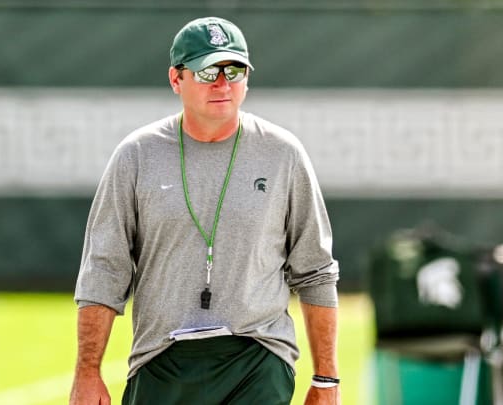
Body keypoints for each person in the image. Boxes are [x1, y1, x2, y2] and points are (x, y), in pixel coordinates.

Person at [70, 16, 340, 405]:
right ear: (176, 79)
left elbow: (315, 270)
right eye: (207, 69)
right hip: (162, 359)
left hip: (258, 356)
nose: (222, 82)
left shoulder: (283, 154)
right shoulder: (137, 155)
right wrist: (87, 372)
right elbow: (104, 269)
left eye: (234, 69)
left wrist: (326, 380)